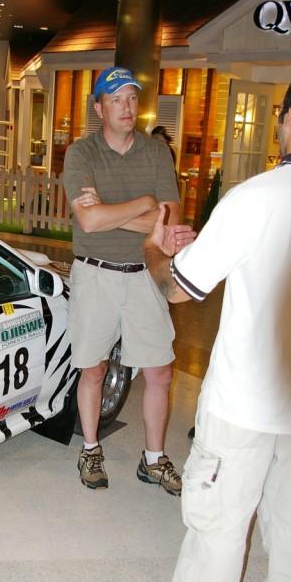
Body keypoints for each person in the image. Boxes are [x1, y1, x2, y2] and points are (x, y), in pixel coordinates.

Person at [142, 77, 291, 582]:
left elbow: (179, 288)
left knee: (220, 525)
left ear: (289, 119)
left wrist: (157, 251)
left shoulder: (257, 197)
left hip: (246, 404)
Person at [63, 66, 191, 494]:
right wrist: (144, 204)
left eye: (132, 98)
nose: (127, 107)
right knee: (94, 369)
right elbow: (89, 220)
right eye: (116, 99)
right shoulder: (81, 154)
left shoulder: (156, 153)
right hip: (95, 274)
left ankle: (153, 459)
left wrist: (113, 213)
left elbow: (169, 225)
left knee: (160, 372)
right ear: (99, 107)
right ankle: (91, 447)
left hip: (144, 277)